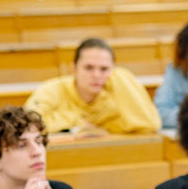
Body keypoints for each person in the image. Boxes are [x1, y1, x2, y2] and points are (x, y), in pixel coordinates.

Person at [24, 38, 160, 135]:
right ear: (74, 68)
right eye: (89, 68)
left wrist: (120, 75)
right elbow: (27, 124)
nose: (96, 75)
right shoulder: (52, 90)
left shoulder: (112, 99)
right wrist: (78, 121)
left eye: (104, 69)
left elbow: (149, 125)